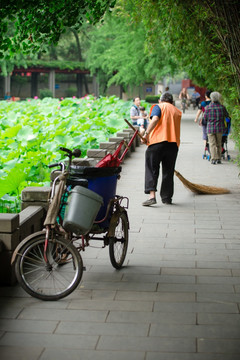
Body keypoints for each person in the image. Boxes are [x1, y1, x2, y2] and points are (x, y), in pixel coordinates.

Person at [142, 92, 182, 206]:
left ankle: (152, 196)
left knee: (152, 169)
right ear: (172, 102)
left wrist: (146, 134)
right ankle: (167, 198)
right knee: (168, 171)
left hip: (157, 143)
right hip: (173, 144)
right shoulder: (177, 111)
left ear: (160, 100)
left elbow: (155, 120)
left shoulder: (158, 107)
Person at [202, 91, 229, 165]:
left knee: (212, 144)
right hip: (220, 128)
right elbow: (227, 116)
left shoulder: (208, 107)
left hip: (210, 128)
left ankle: (213, 159)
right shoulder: (222, 107)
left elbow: (205, 118)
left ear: (211, 98)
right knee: (219, 144)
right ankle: (219, 158)